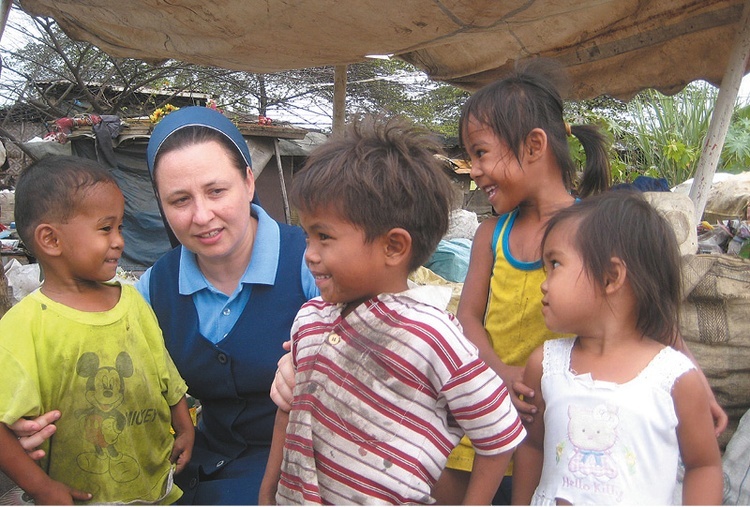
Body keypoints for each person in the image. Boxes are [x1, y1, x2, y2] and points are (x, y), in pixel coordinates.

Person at [429, 60, 728, 504]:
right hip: (488, 409)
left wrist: (695, 384)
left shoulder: (591, 232)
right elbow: (468, 317)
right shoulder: (493, 234)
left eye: (481, 152)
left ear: (534, 145)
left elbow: (646, 309)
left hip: (563, 422)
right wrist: (502, 373)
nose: (473, 169)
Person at [11, 106, 319, 504]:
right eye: (179, 200)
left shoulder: (312, 263)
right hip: (197, 466)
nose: (201, 215)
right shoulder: (154, 288)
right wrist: (29, 421)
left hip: (301, 468)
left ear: (247, 181)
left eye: (216, 191)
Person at [258, 116, 526, 505]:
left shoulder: (432, 335)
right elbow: (288, 410)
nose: (310, 255)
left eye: (324, 237)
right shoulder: (310, 319)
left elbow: (499, 432)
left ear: (394, 247)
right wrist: (269, 489)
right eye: (306, 236)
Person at [0, 155, 194, 504]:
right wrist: (41, 488)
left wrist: (185, 426)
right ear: (51, 240)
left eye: (120, 227)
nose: (119, 240)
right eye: (106, 228)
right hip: (78, 496)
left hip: (155, 485)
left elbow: (163, 374)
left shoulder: (131, 302)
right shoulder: (24, 326)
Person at [512, 190, 723, 505]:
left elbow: (703, 465)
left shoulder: (673, 378)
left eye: (555, 264)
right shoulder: (545, 365)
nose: (544, 282)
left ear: (611, 277)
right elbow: (532, 447)